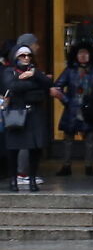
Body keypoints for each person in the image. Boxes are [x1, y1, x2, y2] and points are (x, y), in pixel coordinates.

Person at [0, 41, 54, 192]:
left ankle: (32, 180)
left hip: (34, 114)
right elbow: (12, 86)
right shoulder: (9, 71)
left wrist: (33, 75)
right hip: (16, 113)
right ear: (16, 57)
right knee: (13, 149)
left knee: (35, 149)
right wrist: (34, 84)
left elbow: (48, 84)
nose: (26, 58)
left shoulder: (34, 71)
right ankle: (13, 180)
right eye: (22, 55)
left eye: (28, 55)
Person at [55, 43, 93, 179]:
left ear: (90, 55)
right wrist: (67, 101)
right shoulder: (70, 70)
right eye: (80, 53)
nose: (83, 56)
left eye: (86, 53)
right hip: (72, 109)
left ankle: (89, 166)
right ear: (75, 55)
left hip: (89, 109)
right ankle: (66, 165)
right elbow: (58, 87)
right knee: (68, 139)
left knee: (90, 139)